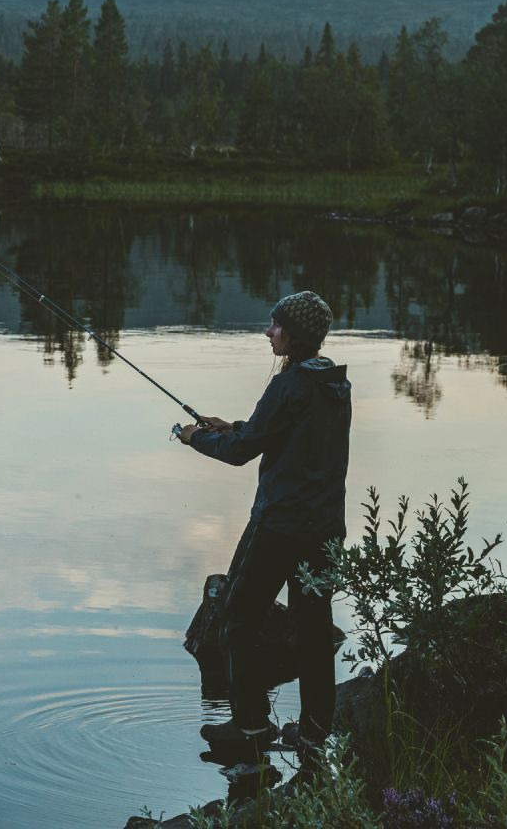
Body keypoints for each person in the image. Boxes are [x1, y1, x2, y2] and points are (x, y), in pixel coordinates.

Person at [176, 290, 350, 763]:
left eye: (274, 326)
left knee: (238, 615)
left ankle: (251, 725)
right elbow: (273, 433)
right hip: (326, 526)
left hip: (280, 525)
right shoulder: (332, 382)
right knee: (313, 629)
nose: (268, 333)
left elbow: (241, 452)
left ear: (292, 335)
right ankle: (315, 732)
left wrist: (197, 438)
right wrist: (231, 425)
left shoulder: (289, 384)